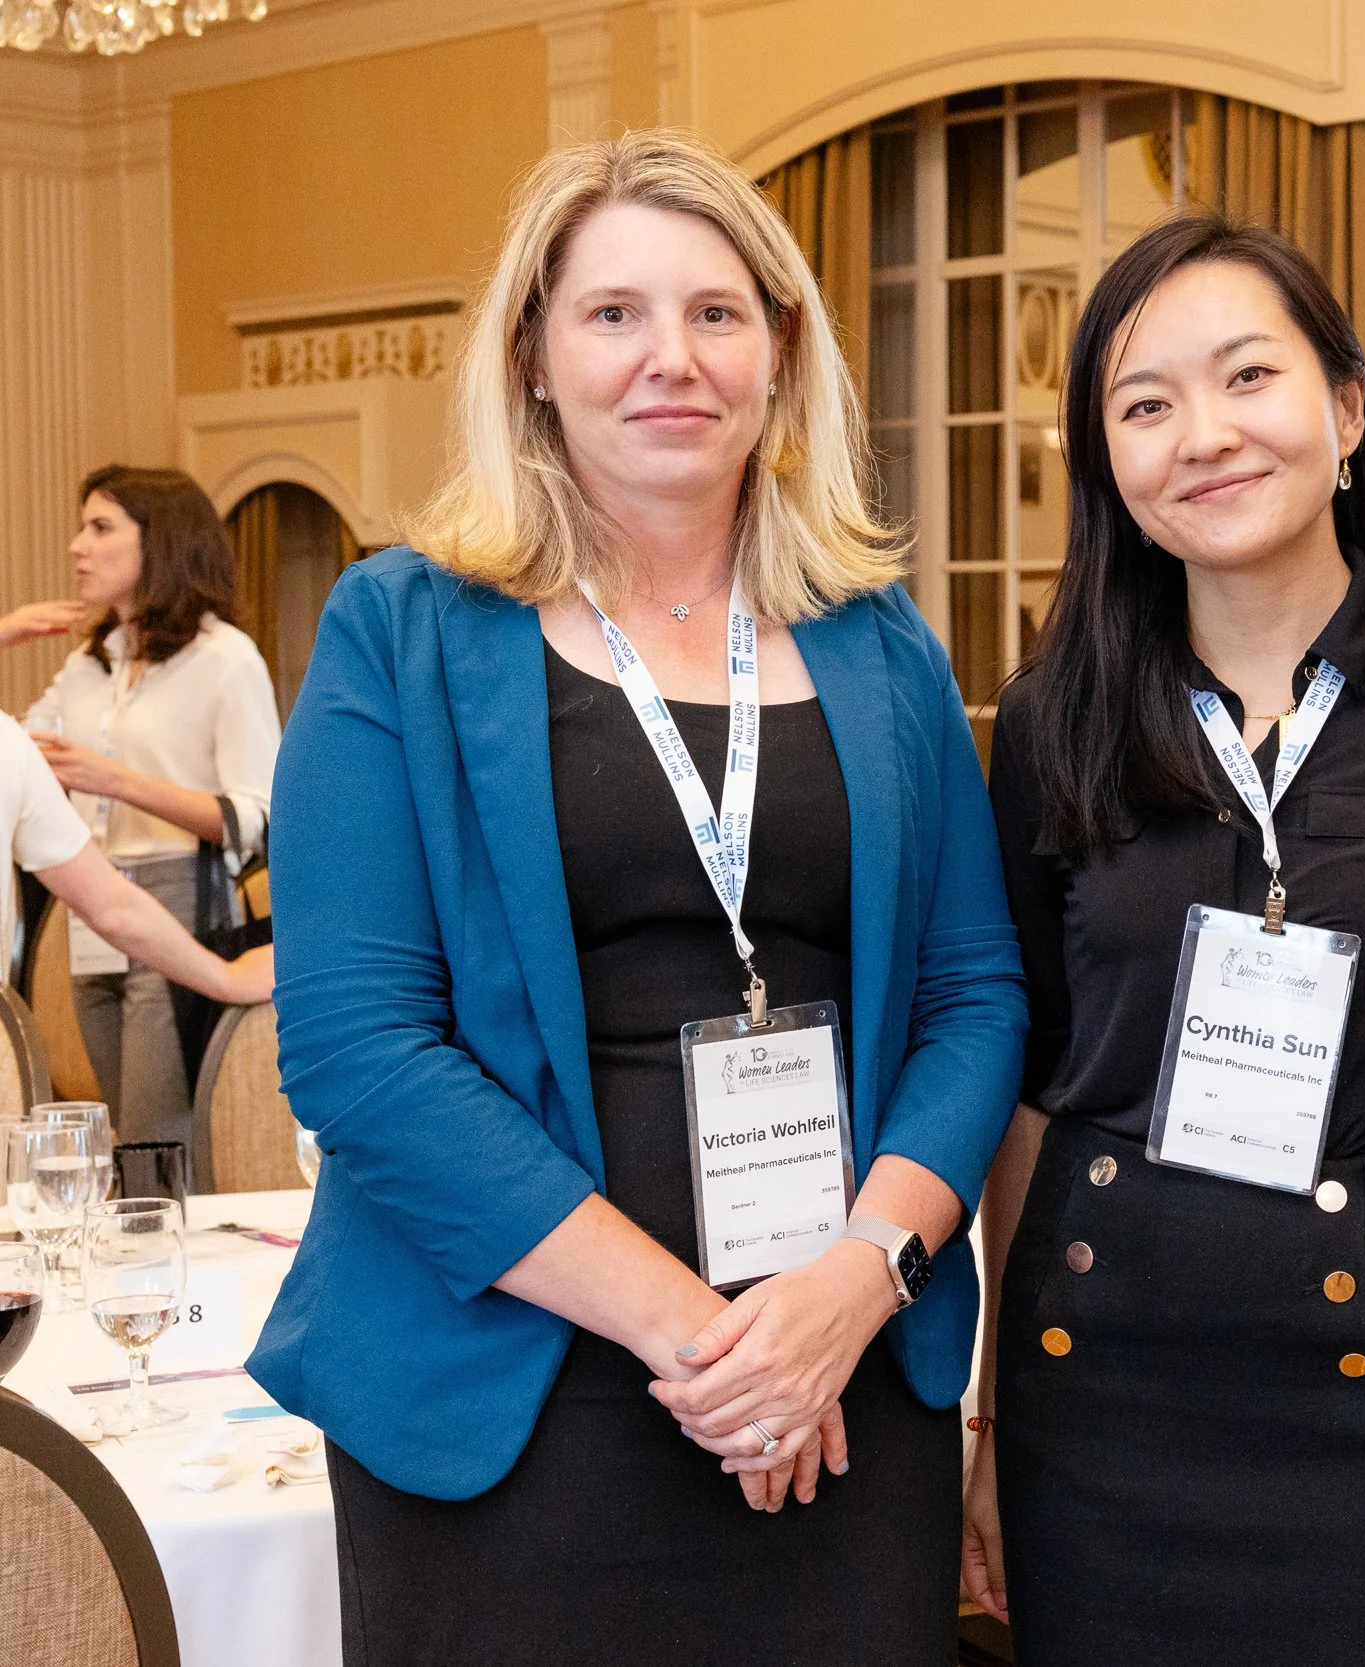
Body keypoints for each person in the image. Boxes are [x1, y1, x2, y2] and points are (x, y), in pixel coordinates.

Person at [246, 131, 1025, 1666]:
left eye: (718, 313)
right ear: (533, 352)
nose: (671, 356)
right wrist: (704, 1337)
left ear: (781, 353)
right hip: (518, 1399)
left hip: (845, 1379)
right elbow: (356, 1045)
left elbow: (974, 994)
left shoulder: (882, 643)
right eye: (613, 315)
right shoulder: (398, 626)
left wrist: (849, 1289)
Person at [963, 215, 1365, 1667]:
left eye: (1245, 380)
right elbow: (1031, 1084)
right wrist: (990, 1419)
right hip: (1096, 1399)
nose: (1201, 436)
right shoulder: (1050, 721)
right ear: (1107, 464)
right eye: (1144, 405)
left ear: (1344, 408)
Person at [15, 466, 281, 1143]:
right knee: (114, 1133)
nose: (77, 546)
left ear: (159, 543)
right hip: (88, 906)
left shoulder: (225, 658)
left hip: (178, 901)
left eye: (101, 527)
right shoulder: (89, 660)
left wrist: (116, 779)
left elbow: (256, 816)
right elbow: (14, 757)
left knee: (156, 1134)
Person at [0, 708, 270, 1009]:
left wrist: (228, 979)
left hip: (181, 884)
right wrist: (227, 979)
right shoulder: (11, 745)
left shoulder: (12, 746)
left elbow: (113, 909)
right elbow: (111, 908)